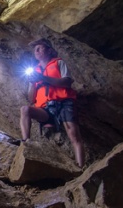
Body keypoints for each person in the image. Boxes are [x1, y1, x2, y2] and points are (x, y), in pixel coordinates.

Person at [19, 38, 85, 168]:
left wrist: (43, 78)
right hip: (46, 109)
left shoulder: (59, 63)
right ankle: (26, 142)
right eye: (35, 49)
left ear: (49, 50)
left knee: (74, 135)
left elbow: (67, 82)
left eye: (40, 48)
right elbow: (31, 99)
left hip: (64, 103)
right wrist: (32, 83)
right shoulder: (35, 71)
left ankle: (81, 167)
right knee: (25, 109)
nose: (36, 51)